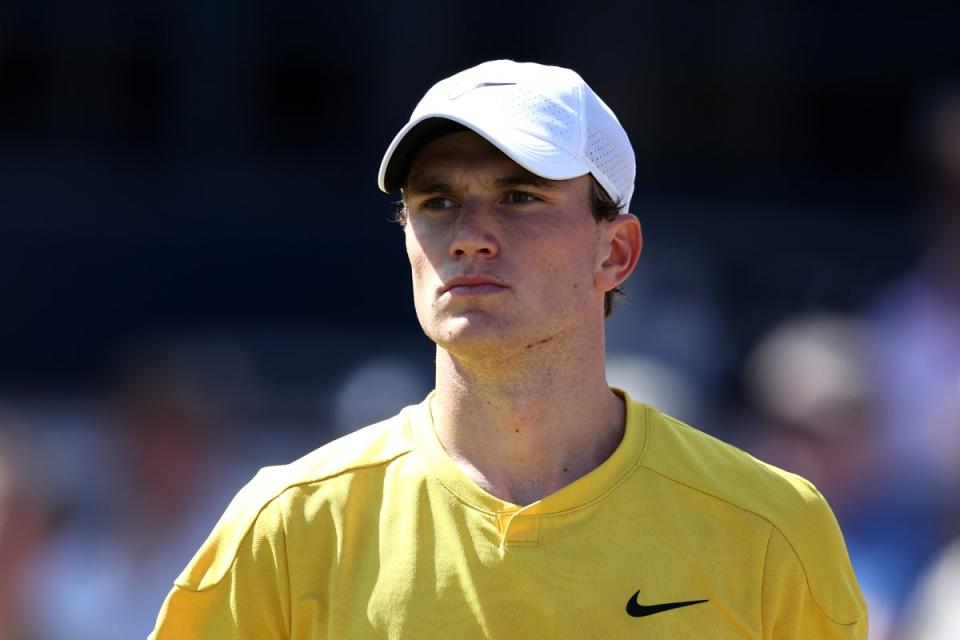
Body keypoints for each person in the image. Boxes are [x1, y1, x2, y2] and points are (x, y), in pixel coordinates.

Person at [150, 60, 867, 639]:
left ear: (615, 252)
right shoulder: (288, 526)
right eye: (436, 201)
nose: (468, 233)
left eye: (519, 196)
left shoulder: (771, 529)